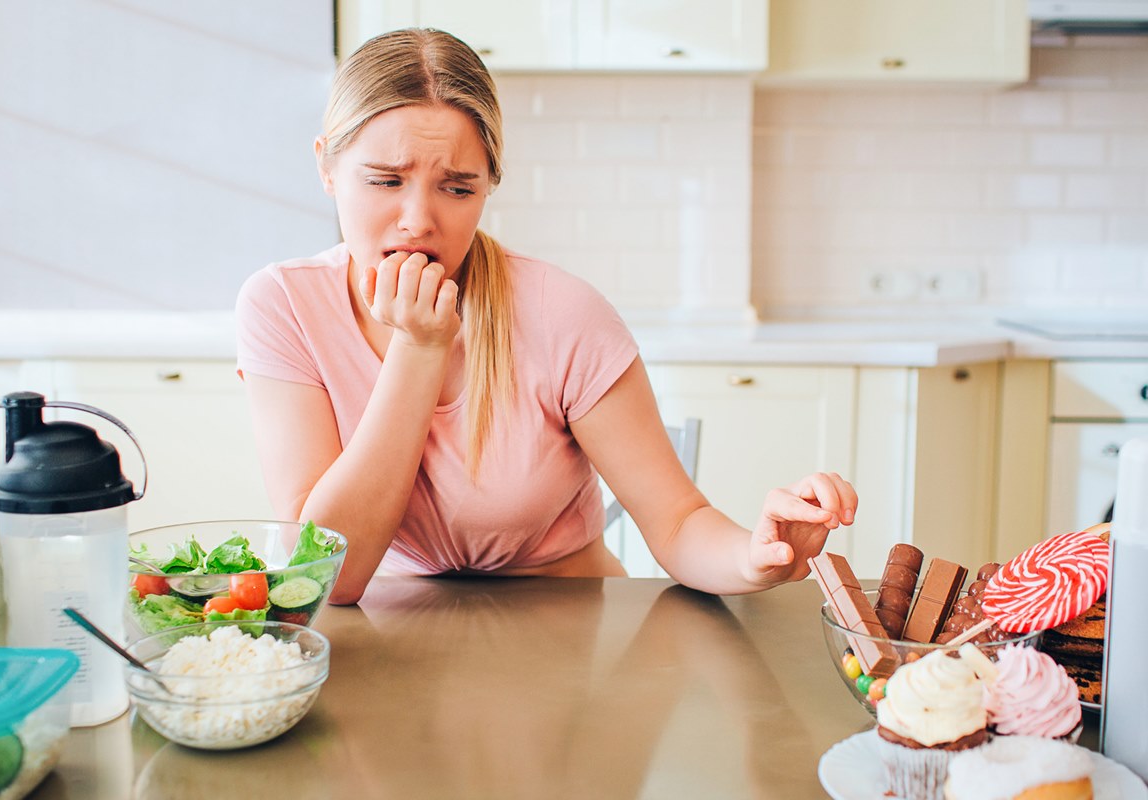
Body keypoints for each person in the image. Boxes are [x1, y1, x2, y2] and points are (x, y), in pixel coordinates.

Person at [235, 28, 857, 605]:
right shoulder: (284, 307)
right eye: (384, 180)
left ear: (489, 186)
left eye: (457, 188)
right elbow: (327, 579)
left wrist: (755, 556)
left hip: (577, 634)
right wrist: (418, 349)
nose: (418, 219)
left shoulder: (563, 313)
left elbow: (676, 521)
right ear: (326, 166)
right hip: (393, 639)